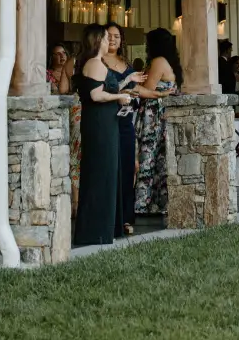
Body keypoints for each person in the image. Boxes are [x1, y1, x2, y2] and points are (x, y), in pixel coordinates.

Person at [73, 24, 138, 246]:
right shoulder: (94, 63)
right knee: (101, 173)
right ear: (97, 41)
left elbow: (106, 89)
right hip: (100, 125)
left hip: (106, 123)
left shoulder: (97, 63)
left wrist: (125, 86)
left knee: (108, 172)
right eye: (104, 37)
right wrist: (119, 98)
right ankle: (96, 231)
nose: (107, 41)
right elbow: (96, 95)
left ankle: (107, 228)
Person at [133, 28, 181, 215]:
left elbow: (147, 88)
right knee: (160, 160)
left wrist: (134, 83)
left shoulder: (158, 62)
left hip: (153, 117)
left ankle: (142, 204)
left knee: (148, 159)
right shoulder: (171, 63)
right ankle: (159, 203)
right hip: (161, 116)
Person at [103, 23, 139, 236]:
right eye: (109, 35)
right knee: (109, 167)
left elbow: (137, 89)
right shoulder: (98, 62)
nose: (113, 39)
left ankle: (126, 217)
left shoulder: (126, 63)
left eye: (116, 36)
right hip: (106, 119)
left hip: (126, 120)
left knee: (127, 167)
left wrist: (157, 93)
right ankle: (110, 217)